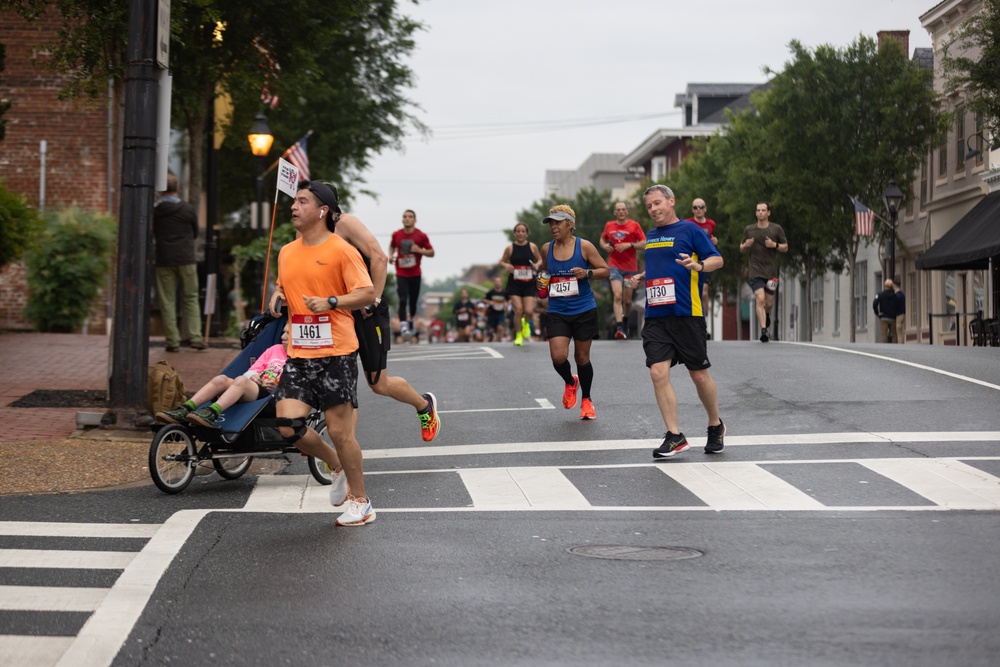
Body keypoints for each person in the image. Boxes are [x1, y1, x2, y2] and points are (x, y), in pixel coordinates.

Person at [270, 182, 440, 443]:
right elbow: (296, 270)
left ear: (326, 207)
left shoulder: (346, 224)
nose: (300, 206)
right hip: (332, 314)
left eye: (308, 201)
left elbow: (380, 258)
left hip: (364, 309)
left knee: (378, 383)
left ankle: (423, 406)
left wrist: (374, 299)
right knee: (342, 388)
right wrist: (279, 291)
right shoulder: (305, 232)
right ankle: (344, 448)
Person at [267, 181, 376, 526]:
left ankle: (361, 502)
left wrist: (332, 302)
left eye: (302, 201)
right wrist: (278, 294)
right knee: (287, 424)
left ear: (323, 211)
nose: (294, 207)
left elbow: (367, 293)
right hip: (300, 351)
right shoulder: (286, 251)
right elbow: (291, 285)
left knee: (341, 431)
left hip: (337, 351)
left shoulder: (342, 250)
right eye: (294, 201)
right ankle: (335, 463)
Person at [627, 185, 726, 458]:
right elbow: (663, 265)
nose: (654, 209)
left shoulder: (692, 230)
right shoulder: (651, 235)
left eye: (658, 203)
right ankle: (674, 435)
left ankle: (715, 424)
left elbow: (718, 259)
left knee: (698, 375)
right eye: (649, 206)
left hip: (687, 313)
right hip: (657, 315)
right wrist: (641, 276)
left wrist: (700, 266)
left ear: (671, 201)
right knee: (657, 372)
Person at [537, 204, 610, 420]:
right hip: (558, 310)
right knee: (558, 357)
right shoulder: (546, 248)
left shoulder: (584, 246)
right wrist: (542, 282)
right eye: (550, 222)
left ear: (570, 224)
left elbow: (605, 271)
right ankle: (571, 382)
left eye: (557, 222)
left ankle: (586, 400)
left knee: (581, 356)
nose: (553, 226)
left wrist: (587, 273)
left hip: (583, 309)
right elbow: (544, 271)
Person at [154, 324, 289, 426]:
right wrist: (253, 376)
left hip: (274, 399)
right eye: (283, 332)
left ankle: (212, 412)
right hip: (254, 388)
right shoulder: (274, 349)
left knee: (241, 381)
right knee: (221, 379)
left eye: (289, 334)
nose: (283, 337)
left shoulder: (302, 358)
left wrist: (279, 386)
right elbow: (251, 371)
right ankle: (185, 409)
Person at [153, 171, 205, 352]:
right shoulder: (187, 209)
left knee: (167, 301)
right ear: (178, 189)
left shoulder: (156, 211)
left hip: (164, 260)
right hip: (186, 259)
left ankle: (172, 341)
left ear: (161, 191)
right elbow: (195, 232)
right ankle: (195, 337)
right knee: (191, 298)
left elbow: (152, 233)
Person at [739, 201, 788, 343]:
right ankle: (764, 330)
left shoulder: (776, 229)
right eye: (758, 210)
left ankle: (766, 314)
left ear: (768, 212)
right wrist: (745, 245)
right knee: (760, 299)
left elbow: (785, 247)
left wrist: (774, 245)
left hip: (771, 272)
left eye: (763, 210)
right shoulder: (749, 230)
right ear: (756, 213)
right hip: (755, 271)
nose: (760, 212)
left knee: (769, 303)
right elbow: (741, 248)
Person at [600, 202, 646, 339]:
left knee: (627, 301)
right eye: (618, 210)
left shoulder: (634, 226)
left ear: (626, 212)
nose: (621, 212)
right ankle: (619, 328)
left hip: (630, 268)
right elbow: (602, 239)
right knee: (618, 295)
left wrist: (629, 245)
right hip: (614, 265)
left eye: (623, 210)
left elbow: (644, 243)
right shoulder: (609, 225)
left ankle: (625, 320)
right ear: (615, 212)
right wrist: (605, 246)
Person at [388, 209, 434, 340]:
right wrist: (391, 256)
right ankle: (403, 326)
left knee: (413, 302)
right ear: (402, 220)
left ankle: (411, 320)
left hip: (415, 273)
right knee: (403, 299)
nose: (407, 219)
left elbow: (432, 252)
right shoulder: (396, 234)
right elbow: (392, 246)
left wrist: (419, 250)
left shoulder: (421, 236)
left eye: (410, 217)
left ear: (415, 220)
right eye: (405, 217)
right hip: (401, 273)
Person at [499, 222, 543, 346]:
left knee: (528, 311)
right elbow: (501, 262)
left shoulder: (532, 246)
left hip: (529, 282)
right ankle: (518, 335)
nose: (520, 233)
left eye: (523, 231)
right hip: (515, 283)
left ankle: (525, 323)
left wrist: (536, 265)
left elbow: (540, 259)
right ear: (515, 233)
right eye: (518, 231)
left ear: (526, 233)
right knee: (518, 310)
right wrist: (506, 265)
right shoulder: (510, 248)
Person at [687, 198, 718, 305]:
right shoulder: (687, 223)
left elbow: (711, 239)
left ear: (705, 209)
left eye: (701, 207)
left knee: (704, 293)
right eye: (695, 207)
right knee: (694, 291)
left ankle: (705, 318)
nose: (698, 209)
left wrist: (714, 241)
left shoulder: (711, 224)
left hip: (706, 259)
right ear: (692, 209)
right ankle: (697, 316)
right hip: (693, 259)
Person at [873, 279, 900, 344]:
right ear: (891, 286)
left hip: (884, 317)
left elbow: (874, 304)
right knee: (894, 335)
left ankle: (885, 347)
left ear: (885, 286)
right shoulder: (895, 296)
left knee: (884, 335)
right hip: (892, 317)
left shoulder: (880, 294)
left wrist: (877, 313)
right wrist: (895, 313)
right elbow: (898, 305)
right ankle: (896, 347)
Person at [484, 275, 509, 342]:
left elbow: (510, 299)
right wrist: (490, 302)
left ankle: (498, 342)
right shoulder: (491, 292)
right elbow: (484, 300)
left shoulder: (504, 293)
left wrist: (507, 303)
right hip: (492, 313)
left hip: (500, 313)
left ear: (501, 283)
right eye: (496, 281)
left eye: (499, 281)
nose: (498, 283)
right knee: (491, 331)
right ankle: (491, 338)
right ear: (494, 283)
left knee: (500, 328)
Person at [894, 277, 906, 344]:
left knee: (898, 330)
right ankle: (902, 342)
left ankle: (900, 344)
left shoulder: (897, 295)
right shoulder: (902, 294)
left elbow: (896, 305)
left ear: (895, 285)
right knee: (900, 330)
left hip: (899, 314)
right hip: (903, 313)